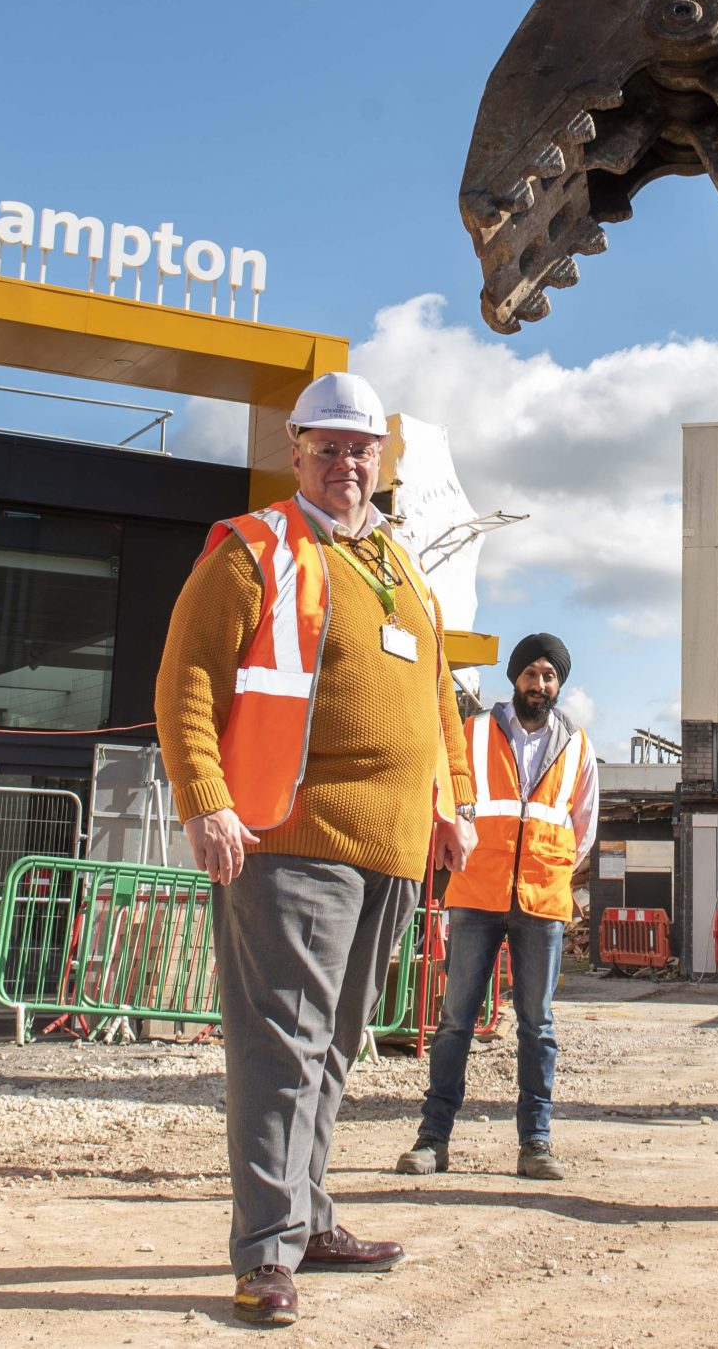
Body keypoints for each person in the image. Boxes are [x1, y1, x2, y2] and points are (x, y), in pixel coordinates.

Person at [156, 370, 477, 1330]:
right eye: (329, 446)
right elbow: (188, 680)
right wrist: (204, 798)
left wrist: (451, 803)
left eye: (362, 448)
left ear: (384, 461)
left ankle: (308, 1216)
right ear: (295, 450)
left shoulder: (398, 560)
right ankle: (264, 1252)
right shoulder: (254, 550)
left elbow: (440, 700)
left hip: (389, 847)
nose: (348, 462)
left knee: (335, 1046)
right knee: (282, 1045)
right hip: (289, 834)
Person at [396, 632, 599, 1182]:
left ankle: (535, 1144)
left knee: (539, 1025)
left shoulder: (577, 745)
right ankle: (432, 1139)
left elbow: (583, 829)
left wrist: (548, 867)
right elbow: (449, 800)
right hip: (476, 895)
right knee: (455, 1021)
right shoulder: (474, 730)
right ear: (516, 678)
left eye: (550, 676)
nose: (541, 684)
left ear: (559, 683)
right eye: (532, 674)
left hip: (541, 901)